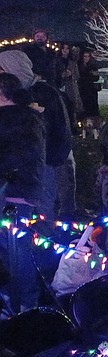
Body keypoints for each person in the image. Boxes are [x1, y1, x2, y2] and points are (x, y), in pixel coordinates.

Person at [0, 50, 73, 222]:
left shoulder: (43, 94)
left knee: (41, 217)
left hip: (44, 164)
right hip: (23, 173)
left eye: (2, 70)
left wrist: (51, 161)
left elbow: (57, 129)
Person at [0, 72, 46, 311]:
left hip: (12, 192)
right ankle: (20, 301)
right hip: (23, 190)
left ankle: (23, 303)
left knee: (16, 249)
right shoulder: (29, 117)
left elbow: (20, 155)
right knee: (16, 248)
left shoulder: (12, 119)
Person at [58, 43, 82, 133]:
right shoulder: (57, 60)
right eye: (63, 48)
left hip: (70, 87)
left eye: (67, 49)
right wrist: (61, 75)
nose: (65, 50)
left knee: (71, 107)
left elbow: (77, 75)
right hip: (60, 86)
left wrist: (71, 74)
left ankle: (73, 126)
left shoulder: (72, 62)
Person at [77, 49, 100, 117]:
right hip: (82, 89)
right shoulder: (79, 66)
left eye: (88, 56)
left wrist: (92, 75)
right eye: (85, 56)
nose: (86, 58)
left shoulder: (92, 65)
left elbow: (96, 77)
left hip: (91, 89)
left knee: (93, 106)